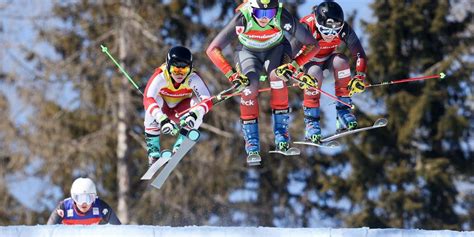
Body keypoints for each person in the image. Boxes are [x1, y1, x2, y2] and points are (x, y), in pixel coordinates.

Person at [206, 0, 320, 160]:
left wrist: (294, 66)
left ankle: (282, 136)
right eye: (260, 13)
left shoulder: (281, 15)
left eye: (270, 13)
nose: (265, 18)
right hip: (248, 52)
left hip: (276, 49)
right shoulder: (243, 17)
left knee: (278, 78)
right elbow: (212, 50)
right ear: (252, 9)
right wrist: (231, 75)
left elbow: (313, 45)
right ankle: (252, 143)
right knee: (249, 87)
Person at [295, 0, 368, 144]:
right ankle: (311, 122)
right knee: (315, 71)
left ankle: (343, 112)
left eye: (335, 31)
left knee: (341, 61)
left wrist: (359, 77)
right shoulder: (306, 26)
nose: (331, 35)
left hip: (328, 64)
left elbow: (360, 54)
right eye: (327, 31)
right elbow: (286, 56)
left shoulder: (343, 29)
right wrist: (298, 75)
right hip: (308, 65)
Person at [143, 46, 213, 166]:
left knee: (198, 103)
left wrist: (195, 114)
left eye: (184, 70)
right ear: (168, 66)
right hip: (163, 111)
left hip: (181, 112)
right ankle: (153, 150)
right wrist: (162, 119)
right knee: (156, 100)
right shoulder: (161, 76)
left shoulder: (193, 78)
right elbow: (147, 99)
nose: (180, 75)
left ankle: (181, 142)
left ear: (190, 68)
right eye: (176, 70)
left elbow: (207, 99)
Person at [47, 177, 121, 225]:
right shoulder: (64, 208)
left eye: (89, 198)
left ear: (94, 198)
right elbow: (49, 231)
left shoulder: (101, 207)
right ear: (73, 198)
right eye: (79, 198)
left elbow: (119, 229)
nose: (84, 203)